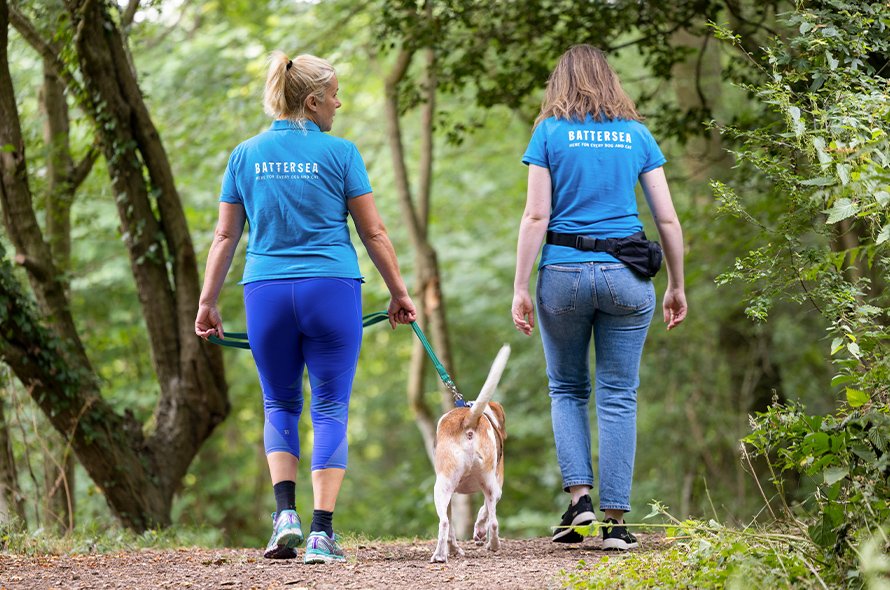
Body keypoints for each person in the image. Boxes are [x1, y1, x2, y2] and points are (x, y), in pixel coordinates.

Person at [194, 51, 417, 564]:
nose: (338, 103)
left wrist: (207, 303)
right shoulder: (342, 153)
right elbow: (374, 231)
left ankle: (283, 519)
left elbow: (226, 235)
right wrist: (399, 293)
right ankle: (321, 533)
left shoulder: (244, 154)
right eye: (334, 94)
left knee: (279, 404)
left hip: (266, 292)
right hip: (331, 288)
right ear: (313, 100)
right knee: (331, 405)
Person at [511, 44, 687, 551]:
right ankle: (614, 523)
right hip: (627, 277)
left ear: (558, 84)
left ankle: (580, 501)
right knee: (618, 394)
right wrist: (676, 284)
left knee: (567, 389)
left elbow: (536, 217)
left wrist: (521, 286)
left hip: (563, 275)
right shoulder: (636, 134)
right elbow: (668, 219)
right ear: (610, 81)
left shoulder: (548, 133)